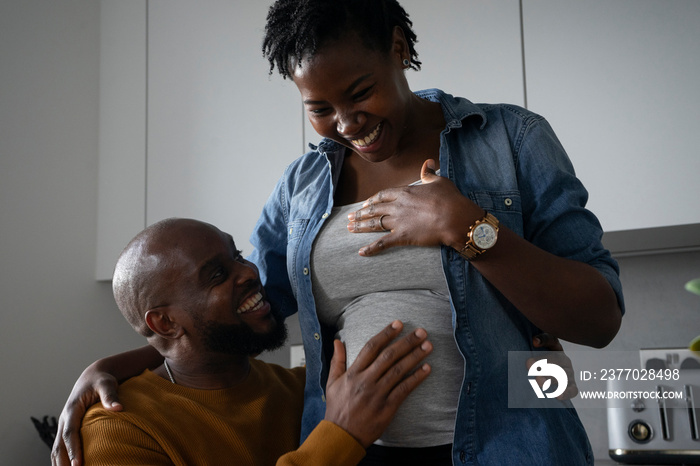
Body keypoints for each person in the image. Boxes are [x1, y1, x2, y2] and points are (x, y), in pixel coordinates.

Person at [53, 0, 624, 465]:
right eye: (319, 107)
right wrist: (118, 364)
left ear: (398, 49)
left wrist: (467, 226)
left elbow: (600, 319)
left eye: (358, 93)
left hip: (512, 451)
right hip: (349, 452)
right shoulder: (303, 184)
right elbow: (246, 308)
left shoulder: (510, 139)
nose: (348, 124)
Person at [75, 218, 433, 466]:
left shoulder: (302, 391)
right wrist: (340, 436)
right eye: (217, 275)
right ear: (165, 323)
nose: (249, 272)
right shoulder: (118, 429)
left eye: (238, 256)